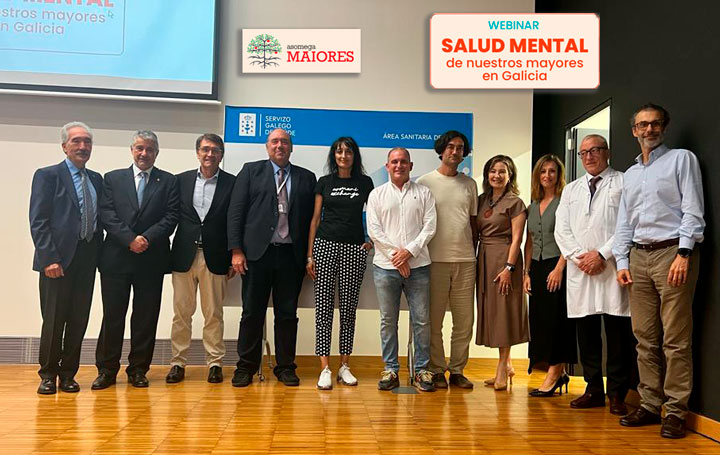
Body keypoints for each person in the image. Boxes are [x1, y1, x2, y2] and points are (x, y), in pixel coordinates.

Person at [614, 103, 704, 438]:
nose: (649, 130)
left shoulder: (682, 159)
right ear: (633, 130)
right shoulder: (632, 173)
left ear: (663, 127)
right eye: (642, 125)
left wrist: (684, 252)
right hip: (638, 258)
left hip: (672, 254)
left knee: (676, 339)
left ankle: (676, 411)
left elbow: (693, 209)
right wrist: (622, 261)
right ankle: (650, 404)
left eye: (655, 124)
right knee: (644, 338)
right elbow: (624, 222)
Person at [227, 128, 316, 387]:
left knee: (287, 314)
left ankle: (285, 367)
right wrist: (236, 250)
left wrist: (310, 256)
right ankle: (246, 367)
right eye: (275, 142)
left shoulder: (306, 177)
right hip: (256, 255)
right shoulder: (250, 171)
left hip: (291, 256)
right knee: (251, 313)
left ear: (291, 148)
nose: (280, 146)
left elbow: (313, 220)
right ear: (267, 147)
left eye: (285, 142)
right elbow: (236, 213)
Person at [93, 130, 180, 389]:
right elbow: (106, 213)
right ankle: (107, 370)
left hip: (151, 259)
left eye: (150, 149)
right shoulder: (112, 178)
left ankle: (138, 369)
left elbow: (171, 216)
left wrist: (146, 239)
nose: (144, 154)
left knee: (145, 317)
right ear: (132, 150)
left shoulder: (168, 181)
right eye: (140, 148)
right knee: (113, 316)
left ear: (157, 153)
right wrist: (130, 238)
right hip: (117, 258)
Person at [555, 134, 635, 415]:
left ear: (607, 153)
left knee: (617, 335)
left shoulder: (624, 182)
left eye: (595, 150)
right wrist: (581, 256)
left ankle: (617, 394)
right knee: (586, 334)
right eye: (584, 152)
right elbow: (561, 229)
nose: (589, 156)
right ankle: (593, 390)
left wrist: (601, 254)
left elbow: (628, 224)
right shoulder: (570, 190)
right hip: (581, 269)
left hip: (613, 266)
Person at [29, 121, 103, 395]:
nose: (83, 147)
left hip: (87, 257)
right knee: (54, 318)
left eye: (87, 142)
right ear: (64, 146)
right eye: (77, 141)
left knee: (78, 318)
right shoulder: (48, 176)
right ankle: (48, 374)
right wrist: (49, 258)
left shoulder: (96, 179)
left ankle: (68, 374)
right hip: (57, 260)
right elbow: (38, 221)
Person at [166, 134, 236, 385]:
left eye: (215, 150)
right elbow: (171, 216)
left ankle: (215, 362)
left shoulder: (232, 183)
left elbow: (233, 222)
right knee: (181, 312)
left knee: (213, 313)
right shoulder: (180, 181)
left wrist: (233, 256)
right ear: (197, 152)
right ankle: (177, 362)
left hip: (215, 257)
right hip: (184, 255)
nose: (210, 154)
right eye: (205, 149)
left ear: (221, 155)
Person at [366, 147, 437, 392]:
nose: (399, 165)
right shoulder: (376, 195)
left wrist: (409, 253)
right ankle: (391, 369)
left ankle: (422, 371)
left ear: (411, 165)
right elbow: (374, 231)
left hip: (418, 266)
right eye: (394, 162)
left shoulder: (425, 193)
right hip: (385, 268)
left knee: (422, 320)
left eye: (403, 162)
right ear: (387, 166)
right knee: (388, 320)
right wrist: (398, 257)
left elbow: (429, 227)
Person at [306, 137, 374, 390]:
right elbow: (314, 219)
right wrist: (310, 254)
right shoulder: (324, 182)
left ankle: (344, 365)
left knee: (348, 309)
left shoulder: (365, 183)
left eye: (347, 151)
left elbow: (376, 214)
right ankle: (324, 367)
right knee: (323, 308)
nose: (343, 155)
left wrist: (371, 241)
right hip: (325, 246)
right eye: (338, 151)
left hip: (354, 249)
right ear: (333, 156)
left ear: (354, 156)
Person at [417, 130, 478, 389]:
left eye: (460, 148)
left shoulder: (470, 184)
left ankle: (457, 370)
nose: (455, 151)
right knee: (434, 321)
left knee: (464, 321)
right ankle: (437, 369)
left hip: (465, 261)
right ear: (441, 150)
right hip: (434, 261)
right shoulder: (424, 182)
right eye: (451, 147)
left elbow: (474, 223)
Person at [522, 154, 576, 397]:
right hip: (537, 266)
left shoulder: (565, 202)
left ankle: (556, 372)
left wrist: (559, 268)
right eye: (543, 172)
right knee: (541, 321)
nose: (547, 176)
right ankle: (555, 371)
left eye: (552, 171)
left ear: (558, 175)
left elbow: (570, 237)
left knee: (558, 321)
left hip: (558, 265)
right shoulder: (531, 205)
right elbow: (529, 242)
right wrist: (526, 273)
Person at [475, 154, 527, 391]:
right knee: (492, 312)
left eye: (502, 171)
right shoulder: (481, 200)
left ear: (510, 175)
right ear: (487, 174)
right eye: (493, 171)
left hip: (505, 260)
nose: (497, 175)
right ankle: (507, 365)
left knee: (505, 312)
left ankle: (501, 368)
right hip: (484, 260)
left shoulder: (515, 202)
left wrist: (509, 268)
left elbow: (518, 238)